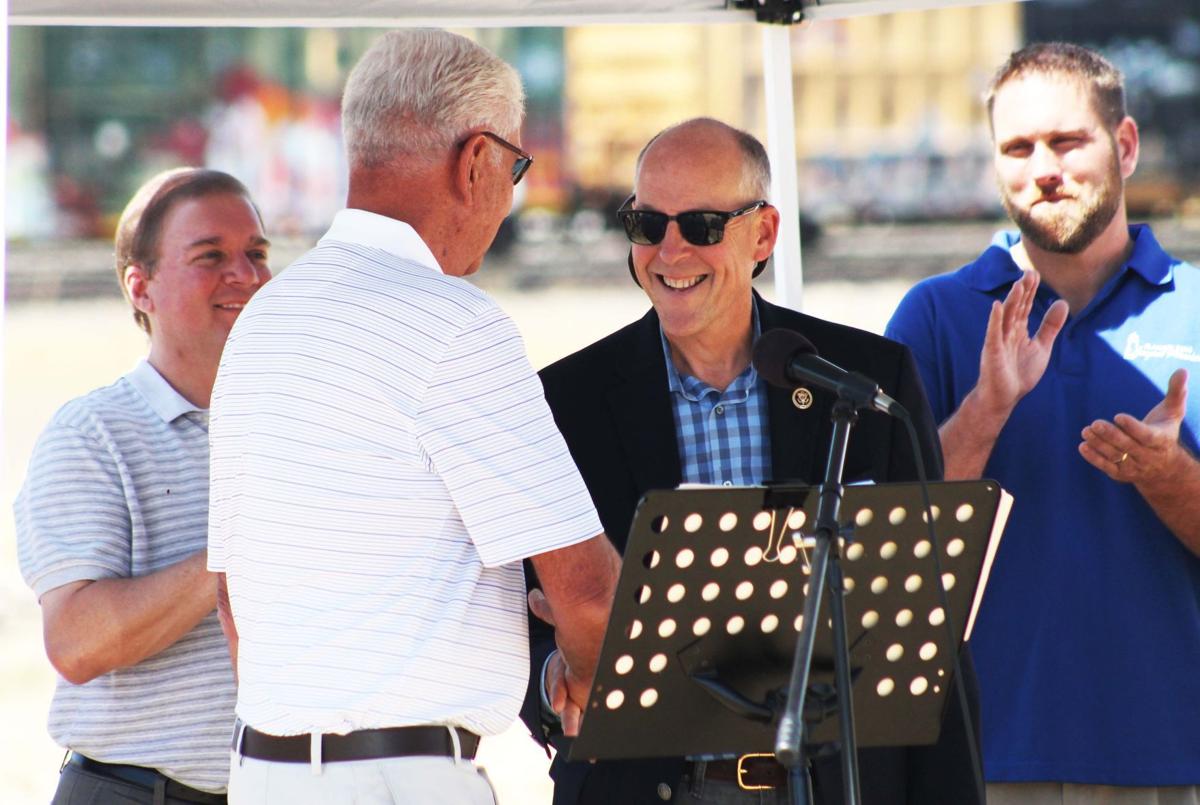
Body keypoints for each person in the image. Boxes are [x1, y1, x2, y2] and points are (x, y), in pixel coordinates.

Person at [206, 29, 621, 805]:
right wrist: (586, 674)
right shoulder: (457, 323)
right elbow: (590, 593)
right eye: (516, 167)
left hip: (264, 773)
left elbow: (234, 595)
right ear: (475, 161)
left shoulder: (265, 320)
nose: (511, 195)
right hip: (403, 777)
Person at [520, 117, 982, 805]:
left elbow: (932, 644)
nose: (669, 251)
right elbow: (532, 632)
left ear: (763, 233)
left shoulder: (868, 380)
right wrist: (563, 679)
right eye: (647, 224)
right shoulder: (563, 401)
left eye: (702, 224)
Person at [886, 42, 1200, 805]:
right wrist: (985, 411)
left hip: (1171, 751)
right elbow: (886, 555)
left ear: (1124, 145)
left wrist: (1171, 479)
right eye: (1018, 148)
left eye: (1067, 141)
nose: (1043, 169)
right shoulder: (933, 316)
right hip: (978, 753)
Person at [14, 167, 272, 804]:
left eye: (257, 253)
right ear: (141, 286)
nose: (245, 274)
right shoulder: (90, 435)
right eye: (211, 256)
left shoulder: (299, 426)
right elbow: (76, 644)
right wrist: (244, 548)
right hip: (135, 794)